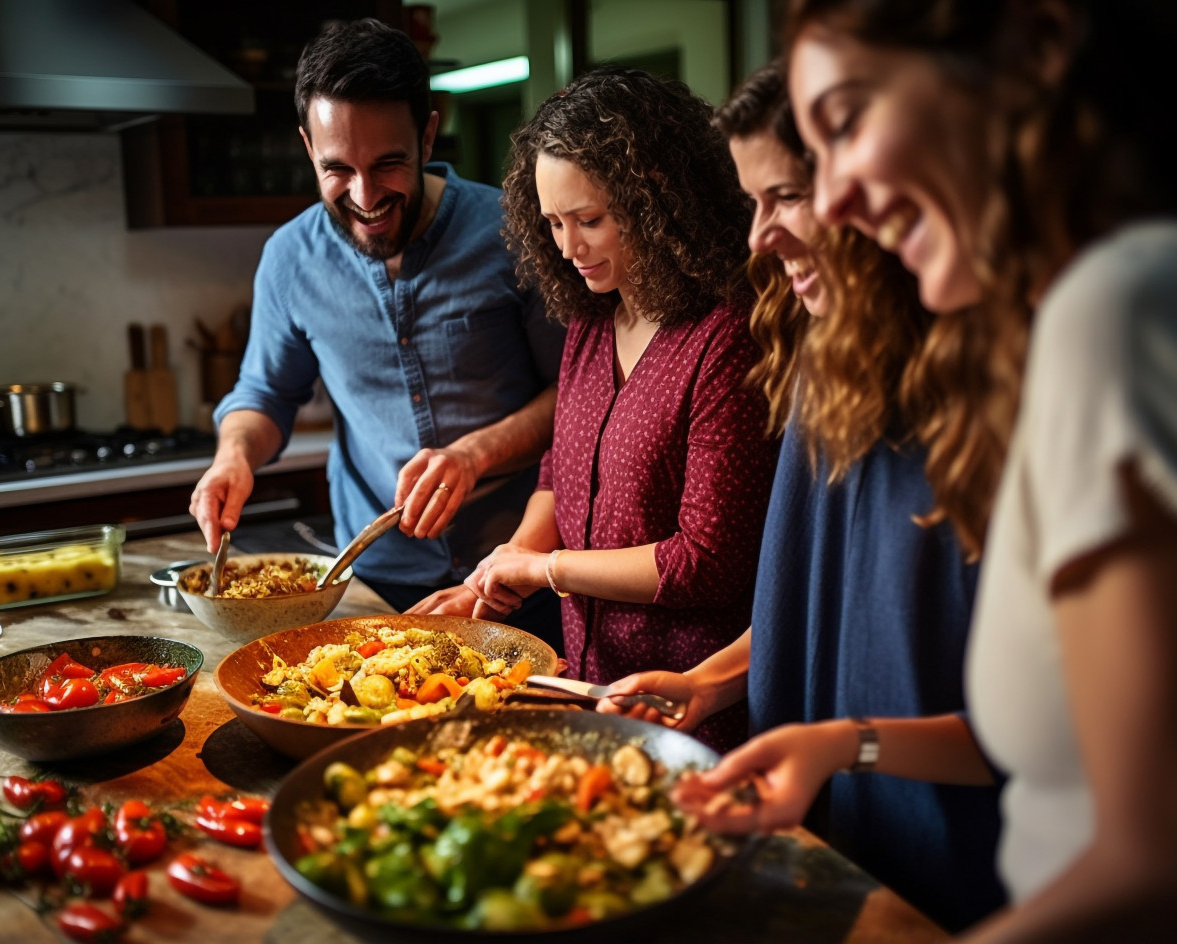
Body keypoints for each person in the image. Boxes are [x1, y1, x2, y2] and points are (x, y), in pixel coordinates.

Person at [683, 1, 1177, 939]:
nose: (831, 204)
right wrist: (840, 744)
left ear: (1030, 52)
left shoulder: (1112, 308)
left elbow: (1148, 864)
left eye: (847, 122)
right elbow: (1042, 745)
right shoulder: (1062, 329)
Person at [605, 62, 1005, 932]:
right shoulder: (816, 357)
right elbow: (821, 599)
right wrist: (709, 681)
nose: (760, 237)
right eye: (752, 202)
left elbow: (1028, 725)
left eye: (786, 196)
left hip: (956, 864)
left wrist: (843, 745)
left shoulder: (989, 402)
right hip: (830, 829)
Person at [422, 67, 778, 752]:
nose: (567, 247)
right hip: (591, 684)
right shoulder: (591, 320)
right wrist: (507, 563)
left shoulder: (726, 338)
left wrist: (544, 571)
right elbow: (559, 472)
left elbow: (704, 563)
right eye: (552, 222)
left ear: (658, 201)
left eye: (589, 220)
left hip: (690, 707)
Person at [188, 18, 566, 650]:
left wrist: (475, 455)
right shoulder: (289, 259)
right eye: (338, 168)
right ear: (308, 147)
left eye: (388, 163)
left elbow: (580, 395)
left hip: (520, 572)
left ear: (426, 134)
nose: (365, 195)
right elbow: (265, 394)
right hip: (375, 582)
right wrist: (234, 456)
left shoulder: (516, 233)